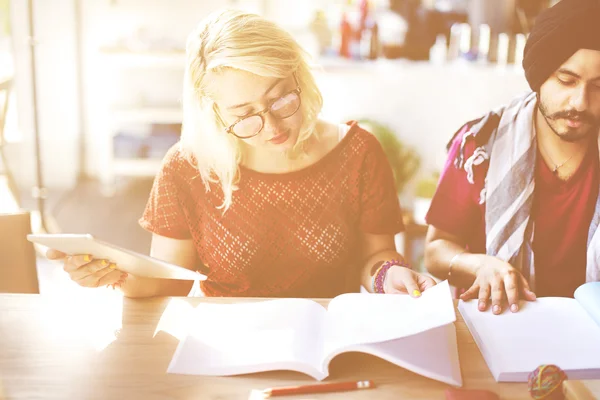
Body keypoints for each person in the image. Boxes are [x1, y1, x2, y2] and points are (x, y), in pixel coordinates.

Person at [47, 9, 436, 299]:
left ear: (300, 76)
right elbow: (170, 281)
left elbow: (378, 255)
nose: (272, 127)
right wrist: (114, 275)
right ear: (213, 112)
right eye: (245, 115)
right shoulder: (186, 169)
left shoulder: (358, 153)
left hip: (333, 346)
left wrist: (390, 273)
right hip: (225, 351)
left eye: (281, 99)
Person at [424, 0, 600, 314]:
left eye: (599, 86)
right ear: (540, 75)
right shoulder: (480, 146)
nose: (580, 102)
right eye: (566, 80)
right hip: (496, 323)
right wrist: (479, 265)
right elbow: (436, 251)